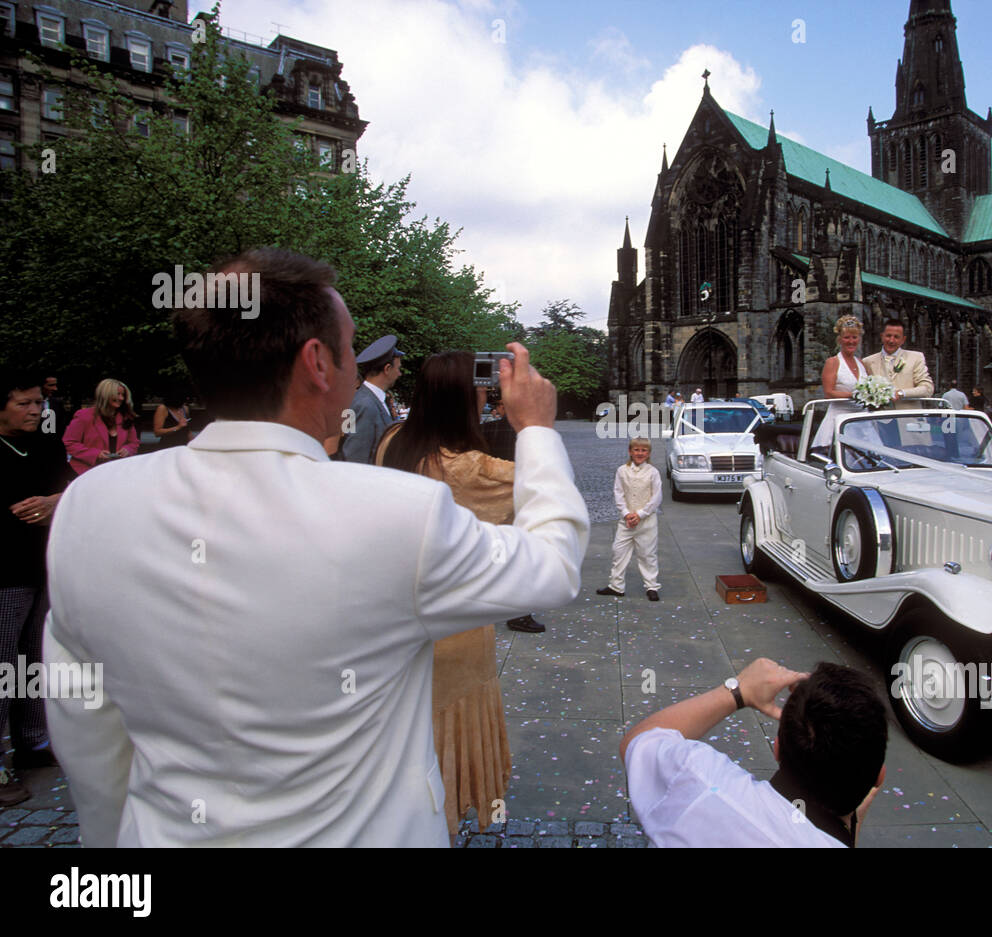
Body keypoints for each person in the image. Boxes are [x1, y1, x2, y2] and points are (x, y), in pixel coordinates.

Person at [43, 248, 589, 847]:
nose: (359, 369)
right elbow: (553, 566)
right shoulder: (398, 514)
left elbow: (85, 721)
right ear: (318, 363)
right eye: (352, 349)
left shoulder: (88, 506)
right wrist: (535, 429)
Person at [373, 352, 517, 834]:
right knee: (444, 737)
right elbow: (544, 491)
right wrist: (529, 421)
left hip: (397, 618)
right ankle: (439, 823)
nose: (486, 395)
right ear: (460, 397)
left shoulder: (395, 441)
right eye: (479, 388)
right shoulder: (470, 468)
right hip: (456, 629)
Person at [621, 659, 888, 848]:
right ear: (879, 776)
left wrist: (739, 691)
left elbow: (639, 742)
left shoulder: (698, 780)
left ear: (777, 748)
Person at [0, 371, 75, 807]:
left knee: (31, 660)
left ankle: (31, 740)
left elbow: (72, 487)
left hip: (40, 565)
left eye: (37, 403)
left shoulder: (46, 444)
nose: (35, 410)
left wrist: (54, 502)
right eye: (23, 404)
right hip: (4, 572)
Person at [595, 437, 663, 601]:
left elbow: (656, 497)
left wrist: (639, 514)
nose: (640, 453)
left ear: (648, 453)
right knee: (618, 552)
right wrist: (626, 513)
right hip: (625, 521)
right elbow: (618, 493)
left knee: (647, 554)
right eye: (636, 450)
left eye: (643, 450)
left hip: (646, 521)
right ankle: (616, 585)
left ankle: (651, 586)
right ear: (630, 452)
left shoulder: (653, 472)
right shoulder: (622, 470)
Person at [340, 334, 404, 463]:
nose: (399, 373)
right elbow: (355, 459)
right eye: (398, 368)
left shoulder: (365, 400)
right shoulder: (365, 405)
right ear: (387, 369)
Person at [811, 314, 869, 451]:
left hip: (862, 420)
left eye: (854, 337)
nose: (851, 341)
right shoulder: (832, 362)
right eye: (846, 337)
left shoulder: (861, 363)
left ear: (859, 339)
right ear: (839, 340)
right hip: (839, 418)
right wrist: (853, 395)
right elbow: (829, 393)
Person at [62, 379, 139, 475]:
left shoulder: (126, 418)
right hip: (86, 472)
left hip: (116, 471)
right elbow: (69, 442)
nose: (121, 398)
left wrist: (128, 449)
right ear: (105, 395)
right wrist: (95, 454)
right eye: (118, 394)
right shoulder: (83, 416)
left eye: (123, 395)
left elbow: (134, 442)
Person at [863, 318, 934, 402]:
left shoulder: (916, 357)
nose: (891, 340)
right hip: (880, 413)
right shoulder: (867, 361)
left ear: (903, 340)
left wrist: (902, 393)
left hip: (908, 413)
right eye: (888, 336)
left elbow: (927, 388)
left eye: (896, 337)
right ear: (882, 336)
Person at [41, 375, 69, 439]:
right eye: (51, 385)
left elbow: (61, 426)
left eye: (55, 385)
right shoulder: (27, 405)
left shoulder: (57, 403)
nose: (55, 389)